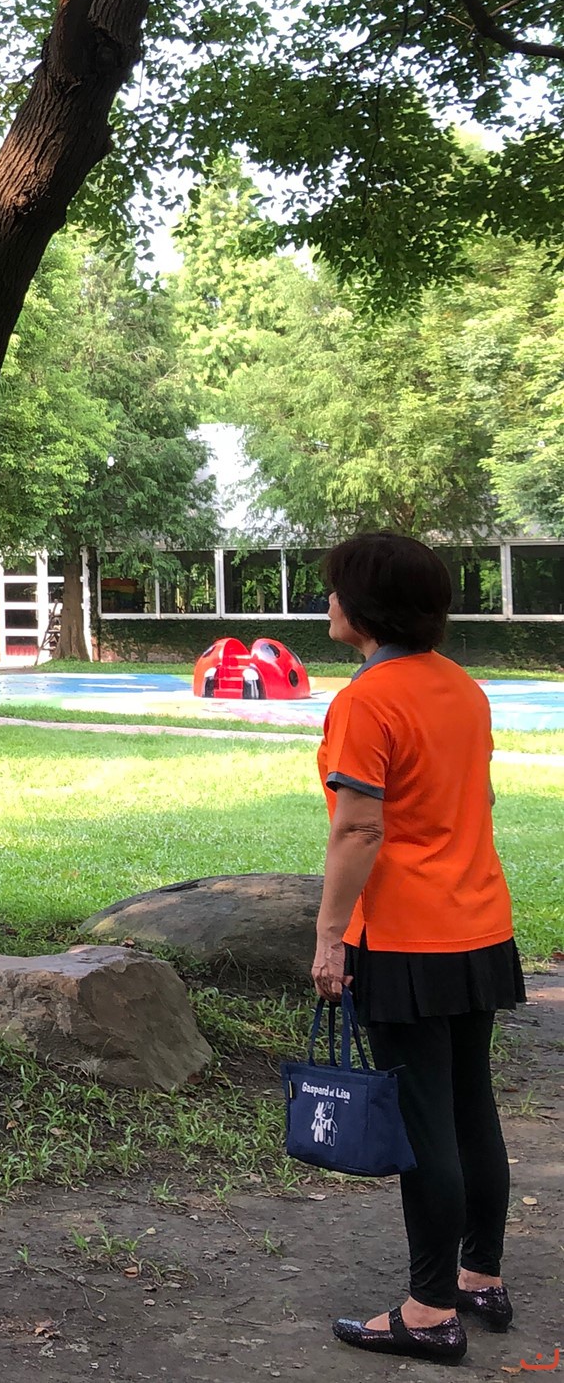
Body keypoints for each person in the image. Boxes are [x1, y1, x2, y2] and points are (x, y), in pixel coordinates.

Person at [310, 533, 523, 1366]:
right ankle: (479, 1277)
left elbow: (359, 828)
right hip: (480, 927)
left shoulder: (367, 699)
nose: (329, 602)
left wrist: (330, 936)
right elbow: (479, 799)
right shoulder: (463, 688)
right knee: (471, 1108)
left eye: (336, 588)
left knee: (425, 1122)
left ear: (366, 606)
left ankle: (429, 1312)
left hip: (404, 938)